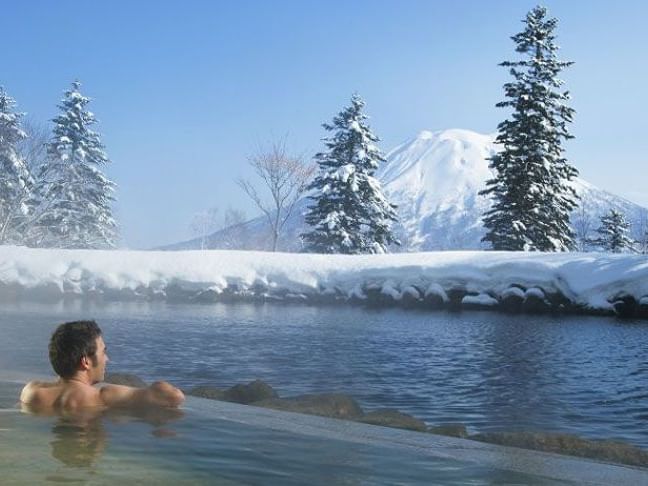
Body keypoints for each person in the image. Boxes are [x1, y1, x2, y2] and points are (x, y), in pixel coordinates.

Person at [20, 320, 184, 411]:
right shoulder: (102, 397)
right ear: (86, 362)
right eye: (103, 352)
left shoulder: (32, 392)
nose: (107, 359)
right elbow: (173, 397)